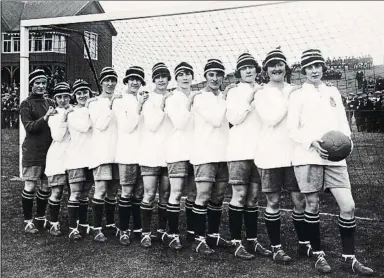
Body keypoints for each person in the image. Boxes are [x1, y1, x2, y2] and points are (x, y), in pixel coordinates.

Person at [287, 49, 374, 275]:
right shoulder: (297, 95)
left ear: (323, 68)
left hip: (336, 159)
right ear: (303, 69)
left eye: (317, 66)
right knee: (312, 205)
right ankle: (318, 255)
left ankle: (349, 258)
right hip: (307, 156)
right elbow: (292, 129)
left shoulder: (333, 91)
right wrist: (312, 142)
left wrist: (347, 146)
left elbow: (343, 125)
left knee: (348, 206)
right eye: (309, 67)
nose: (314, 70)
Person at [254, 48, 310, 264]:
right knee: (274, 201)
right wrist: (292, 99)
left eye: (280, 64)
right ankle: (276, 247)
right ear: (266, 70)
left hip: (295, 154)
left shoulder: (296, 90)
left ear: (286, 68)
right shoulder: (261, 93)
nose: (276, 68)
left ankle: (304, 244)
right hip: (269, 154)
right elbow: (271, 118)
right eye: (272, 65)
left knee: (300, 200)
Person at [225, 53, 271, 259]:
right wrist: (250, 99)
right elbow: (234, 118)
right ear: (239, 72)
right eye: (244, 68)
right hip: (238, 151)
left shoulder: (264, 90)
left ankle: (252, 241)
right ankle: (236, 243)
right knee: (240, 196)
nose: (249, 71)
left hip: (259, 152)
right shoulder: (234, 92)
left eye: (251, 67)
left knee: (253, 198)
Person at [189, 59, 233, 254]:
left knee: (218, 197)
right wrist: (226, 97)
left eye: (219, 74)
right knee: (204, 195)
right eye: (211, 75)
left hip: (223, 154)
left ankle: (213, 236)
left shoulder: (222, 97)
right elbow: (216, 120)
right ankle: (198, 239)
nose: (215, 78)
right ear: (205, 77)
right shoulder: (199, 97)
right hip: (204, 154)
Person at [138, 63, 172, 248]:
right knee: (149, 193)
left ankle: (162, 231)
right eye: (158, 76)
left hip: (168, 155)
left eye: (164, 76)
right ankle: (145, 233)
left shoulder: (173, 97)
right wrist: (163, 103)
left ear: (168, 79)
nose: (161, 79)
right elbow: (151, 124)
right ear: (153, 79)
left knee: (165, 195)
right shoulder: (148, 99)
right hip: (150, 153)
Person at [112, 66, 147, 245]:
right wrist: (140, 106)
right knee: (126, 193)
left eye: (138, 79)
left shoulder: (143, 97)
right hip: (126, 153)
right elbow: (127, 126)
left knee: (139, 193)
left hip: (143, 154)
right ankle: (123, 230)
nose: (135, 82)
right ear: (126, 81)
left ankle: (138, 229)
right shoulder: (119, 100)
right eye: (132, 79)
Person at [164, 62, 197, 247]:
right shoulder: (172, 98)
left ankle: (192, 233)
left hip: (195, 152)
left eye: (188, 74)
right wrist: (190, 103)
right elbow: (180, 123)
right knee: (176, 193)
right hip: (177, 151)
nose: (185, 78)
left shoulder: (197, 95)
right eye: (181, 74)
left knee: (193, 193)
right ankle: (173, 235)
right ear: (176, 78)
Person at [20, 69, 56, 234]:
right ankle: (28, 221)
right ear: (31, 85)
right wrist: (46, 118)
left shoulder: (49, 102)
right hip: (33, 152)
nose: (41, 86)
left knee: (46, 186)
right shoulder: (26, 104)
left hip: (49, 151)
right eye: (37, 83)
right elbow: (29, 127)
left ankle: (40, 218)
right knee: (30, 185)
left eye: (43, 83)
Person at [88, 67, 121, 243]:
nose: (110, 83)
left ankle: (109, 224)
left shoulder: (120, 100)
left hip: (118, 153)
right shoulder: (94, 103)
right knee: (100, 190)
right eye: (107, 80)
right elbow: (100, 125)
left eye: (113, 80)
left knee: (113, 191)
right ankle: (96, 228)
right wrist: (110, 105)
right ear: (101, 82)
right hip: (101, 153)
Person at [65, 79, 94, 241]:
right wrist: (91, 108)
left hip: (90, 158)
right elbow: (85, 127)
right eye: (79, 93)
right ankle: (72, 228)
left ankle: (82, 224)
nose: (83, 95)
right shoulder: (72, 113)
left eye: (85, 92)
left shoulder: (89, 109)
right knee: (75, 193)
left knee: (84, 194)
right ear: (74, 96)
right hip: (75, 157)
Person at [44, 82, 73, 236]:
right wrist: (64, 119)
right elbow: (57, 136)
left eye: (66, 96)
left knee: (74, 193)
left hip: (73, 158)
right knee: (57, 192)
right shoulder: (54, 114)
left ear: (70, 96)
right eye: (59, 97)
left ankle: (75, 224)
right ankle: (54, 223)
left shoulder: (75, 110)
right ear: (55, 98)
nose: (63, 100)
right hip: (57, 158)